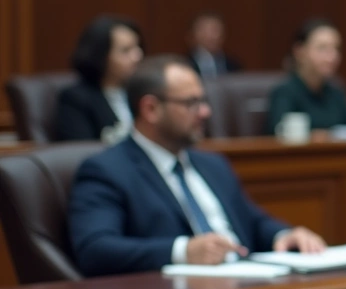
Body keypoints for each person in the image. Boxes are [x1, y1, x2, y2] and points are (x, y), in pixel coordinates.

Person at [68, 55, 326, 276]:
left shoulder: (212, 164)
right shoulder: (107, 171)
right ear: (150, 109)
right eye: (191, 103)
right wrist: (182, 251)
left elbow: (252, 221)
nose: (205, 112)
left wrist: (284, 235)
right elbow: (95, 250)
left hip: (249, 286)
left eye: (203, 101)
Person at [264, 18, 346, 135]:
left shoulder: (337, 90)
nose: (332, 57)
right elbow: (277, 134)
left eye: (336, 49)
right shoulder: (284, 92)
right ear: (299, 51)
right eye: (322, 48)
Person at [54, 15, 145, 142]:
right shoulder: (76, 99)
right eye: (126, 50)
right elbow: (77, 151)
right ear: (101, 56)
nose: (137, 56)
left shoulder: (143, 93)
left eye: (138, 47)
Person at [186, 11, 242, 79]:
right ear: (193, 34)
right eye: (205, 30)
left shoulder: (234, 65)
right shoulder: (184, 65)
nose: (212, 36)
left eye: (215, 30)